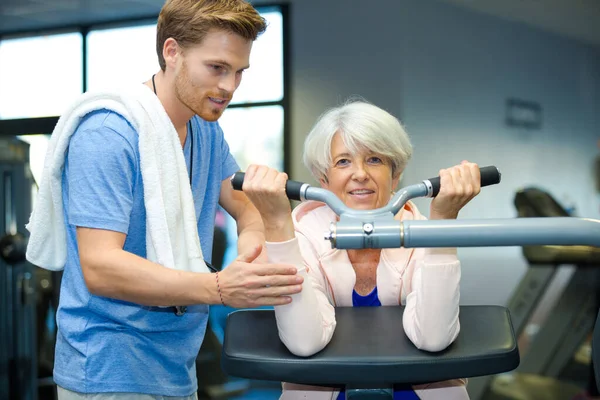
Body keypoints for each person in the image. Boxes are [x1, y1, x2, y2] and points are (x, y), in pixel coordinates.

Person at [25, 1, 305, 399]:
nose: (230, 86)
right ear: (172, 52)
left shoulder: (205, 131)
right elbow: (100, 267)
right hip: (108, 368)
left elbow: (246, 207)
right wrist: (221, 288)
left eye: (239, 72)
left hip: (176, 366)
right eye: (217, 68)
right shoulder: (109, 133)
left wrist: (250, 248)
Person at [243, 100, 482, 400]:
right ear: (323, 179)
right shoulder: (301, 233)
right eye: (343, 161)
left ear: (395, 177)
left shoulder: (422, 231)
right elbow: (304, 342)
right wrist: (277, 223)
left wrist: (444, 221)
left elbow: (434, 338)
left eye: (374, 160)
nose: (359, 174)